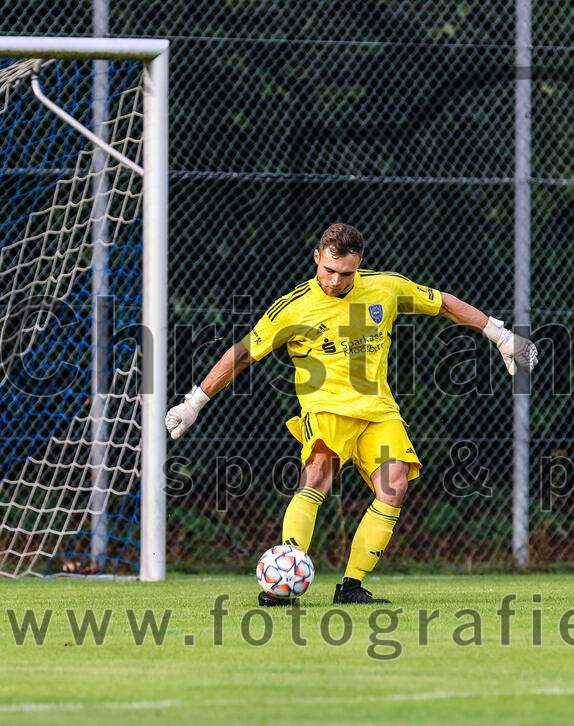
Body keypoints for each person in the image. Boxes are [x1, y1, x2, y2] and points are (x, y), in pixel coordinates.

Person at [165, 223, 538, 605]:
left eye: (346, 273)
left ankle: (351, 585)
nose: (335, 280)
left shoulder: (386, 287)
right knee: (319, 472)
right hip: (326, 408)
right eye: (329, 269)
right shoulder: (294, 307)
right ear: (316, 257)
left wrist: (501, 336)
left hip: (378, 411)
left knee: (394, 486)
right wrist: (195, 402)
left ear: (359, 265)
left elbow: (442, 302)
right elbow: (243, 353)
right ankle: (283, 582)